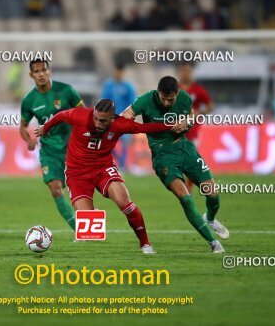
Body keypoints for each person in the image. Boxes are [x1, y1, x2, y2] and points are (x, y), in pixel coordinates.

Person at [35, 99, 180, 254]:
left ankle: (145, 244)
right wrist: (45, 127)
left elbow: (144, 127)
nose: (97, 123)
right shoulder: (80, 115)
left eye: (103, 121)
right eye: (95, 118)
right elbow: (62, 115)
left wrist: (171, 126)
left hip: (103, 168)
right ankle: (92, 213)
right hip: (77, 173)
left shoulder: (120, 124)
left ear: (112, 118)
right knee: (89, 229)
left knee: (125, 203)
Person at [122, 76, 228, 253]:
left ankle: (210, 218)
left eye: (170, 99)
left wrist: (187, 122)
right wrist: (130, 122)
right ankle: (213, 243)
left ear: (177, 94)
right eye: (163, 98)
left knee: (213, 194)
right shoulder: (146, 100)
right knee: (186, 198)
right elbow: (127, 114)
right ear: (158, 93)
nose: (165, 102)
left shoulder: (185, 98)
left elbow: (192, 115)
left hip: (185, 149)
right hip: (163, 156)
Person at [19, 59, 84, 231]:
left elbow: (84, 113)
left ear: (49, 71)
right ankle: (78, 230)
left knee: (80, 190)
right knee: (55, 189)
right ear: (31, 75)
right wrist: (28, 140)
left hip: (72, 148)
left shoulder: (65, 91)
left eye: (43, 70)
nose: (41, 74)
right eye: (36, 71)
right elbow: (23, 127)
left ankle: (88, 225)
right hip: (49, 150)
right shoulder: (29, 101)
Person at [177, 61, 214, 191]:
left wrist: (200, 112)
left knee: (191, 157)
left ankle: (188, 185)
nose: (186, 73)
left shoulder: (198, 89)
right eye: (183, 70)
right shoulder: (174, 89)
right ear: (179, 72)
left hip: (193, 128)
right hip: (176, 128)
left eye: (188, 71)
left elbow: (210, 107)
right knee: (178, 157)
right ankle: (181, 183)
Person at [100, 64, 137, 171]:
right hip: (110, 120)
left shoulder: (128, 86)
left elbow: (133, 103)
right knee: (107, 141)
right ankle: (115, 160)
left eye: (120, 72)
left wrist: (130, 117)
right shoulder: (109, 85)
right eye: (116, 71)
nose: (118, 74)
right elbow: (103, 101)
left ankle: (122, 166)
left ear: (122, 73)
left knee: (125, 143)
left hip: (124, 120)